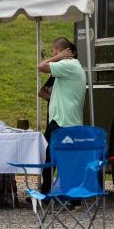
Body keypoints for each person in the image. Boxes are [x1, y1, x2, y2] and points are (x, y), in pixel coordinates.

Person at [37, 37, 86, 194]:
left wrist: (57, 58)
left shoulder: (67, 65)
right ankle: (53, 191)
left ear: (60, 51)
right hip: (64, 119)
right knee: (56, 156)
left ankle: (64, 193)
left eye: (53, 51)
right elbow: (44, 91)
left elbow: (41, 66)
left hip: (63, 120)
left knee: (58, 158)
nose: (52, 54)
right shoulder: (71, 67)